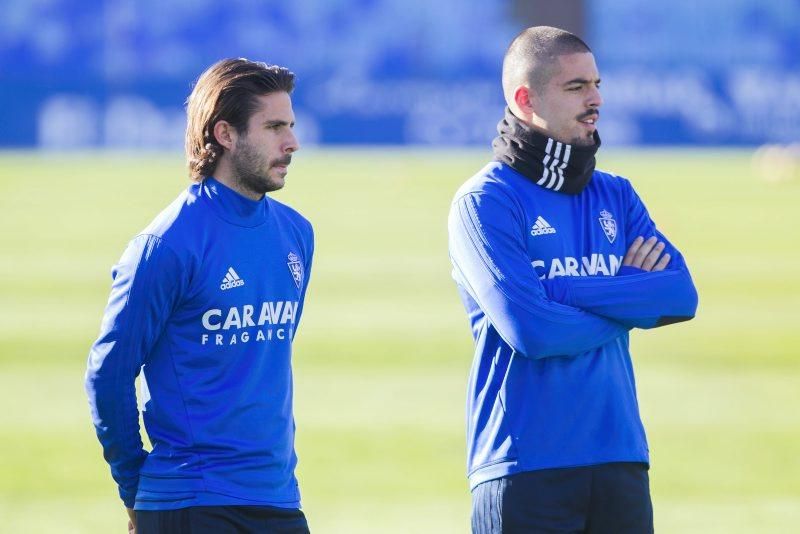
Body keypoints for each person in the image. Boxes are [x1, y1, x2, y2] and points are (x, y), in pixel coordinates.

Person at [448, 26, 698, 533]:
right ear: (525, 98)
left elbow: (680, 295)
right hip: (523, 463)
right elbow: (533, 332)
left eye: (597, 84)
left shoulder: (615, 194)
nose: (597, 99)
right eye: (577, 87)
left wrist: (567, 292)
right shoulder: (485, 202)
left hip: (620, 454)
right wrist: (627, 297)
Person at [85, 58, 313, 534]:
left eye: (290, 126)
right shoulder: (164, 246)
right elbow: (108, 375)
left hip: (278, 497)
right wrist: (135, 488)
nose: (291, 142)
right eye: (274, 127)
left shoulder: (297, 234)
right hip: (191, 502)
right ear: (225, 134)